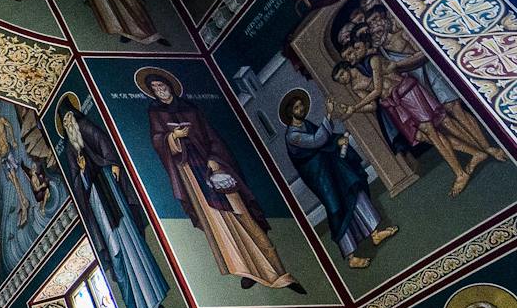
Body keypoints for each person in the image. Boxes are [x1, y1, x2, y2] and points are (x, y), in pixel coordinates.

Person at [139, 68, 303, 294]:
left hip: (211, 167)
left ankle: (277, 269)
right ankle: (246, 269)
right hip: (190, 173)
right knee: (217, 222)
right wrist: (172, 137)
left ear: (170, 85)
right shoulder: (155, 113)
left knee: (242, 215)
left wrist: (215, 160)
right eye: (155, 89)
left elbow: (211, 136)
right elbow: (158, 140)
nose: (160, 91)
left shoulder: (191, 109)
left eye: (162, 85)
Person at [61, 94, 165, 308]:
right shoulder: (69, 147)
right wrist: (83, 173)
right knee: (114, 254)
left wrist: (111, 165)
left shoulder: (85, 127)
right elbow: (76, 180)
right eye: (65, 121)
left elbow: (105, 147)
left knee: (133, 245)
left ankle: (155, 299)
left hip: (111, 193)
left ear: (74, 116)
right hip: (97, 201)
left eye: (69, 117)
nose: (68, 124)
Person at [277, 88, 396, 268]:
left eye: (301, 106)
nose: (301, 109)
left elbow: (325, 139)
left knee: (354, 191)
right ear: (290, 112)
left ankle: (375, 232)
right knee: (336, 208)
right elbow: (317, 141)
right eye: (297, 107)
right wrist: (329, 114)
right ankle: (351, 257)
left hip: (332, 169)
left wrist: (338, 140)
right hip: (320, 177)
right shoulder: (292, 136)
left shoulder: (306, 124)